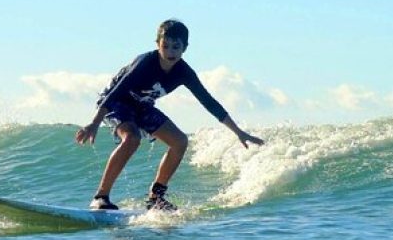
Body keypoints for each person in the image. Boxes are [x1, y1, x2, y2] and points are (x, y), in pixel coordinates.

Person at [74, 19, 264, 211]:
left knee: (180, 141)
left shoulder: (184, 72)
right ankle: (101, 197)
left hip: (142, 105)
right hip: (117, 101)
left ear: (185, 48)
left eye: (176, 47)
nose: (170, 52)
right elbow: (116, 91)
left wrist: (238, 132)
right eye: (165, 46)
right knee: (132, 138)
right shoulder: (145, 63)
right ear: (158, 44)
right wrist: (94, 123)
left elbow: (209, 102)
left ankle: (155, 198)